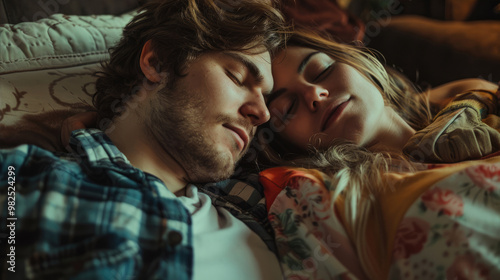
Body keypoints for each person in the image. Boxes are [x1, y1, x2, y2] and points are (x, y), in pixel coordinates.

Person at [0, 0, 288, 279]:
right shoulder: (21, 180)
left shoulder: (274, 210)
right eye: (237, 77)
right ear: (157, 63)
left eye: (266, 97)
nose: (262, 113)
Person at [250, 29, 500, 279]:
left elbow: (474, 89)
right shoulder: (313, 194)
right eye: (288, 107)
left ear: (358, 63)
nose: (314, 94)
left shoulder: (471, 110)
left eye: (321, 71)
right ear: (287, 143)